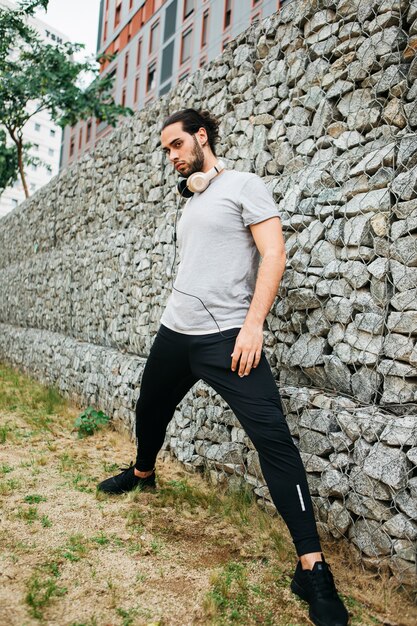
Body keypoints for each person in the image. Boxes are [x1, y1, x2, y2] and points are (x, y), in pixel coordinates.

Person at [98, 109, 349, 626]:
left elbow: (273, 254)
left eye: (176, 145)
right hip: (175, 331)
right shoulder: (193, 197)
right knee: (151, 408)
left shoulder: (244, 185)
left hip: (227, 339)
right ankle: (144, 473)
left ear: (202, 137)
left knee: (274, 440)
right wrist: (195, 185)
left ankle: (312, 568)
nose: (171, 156)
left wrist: (253, 326)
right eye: (165, 150)